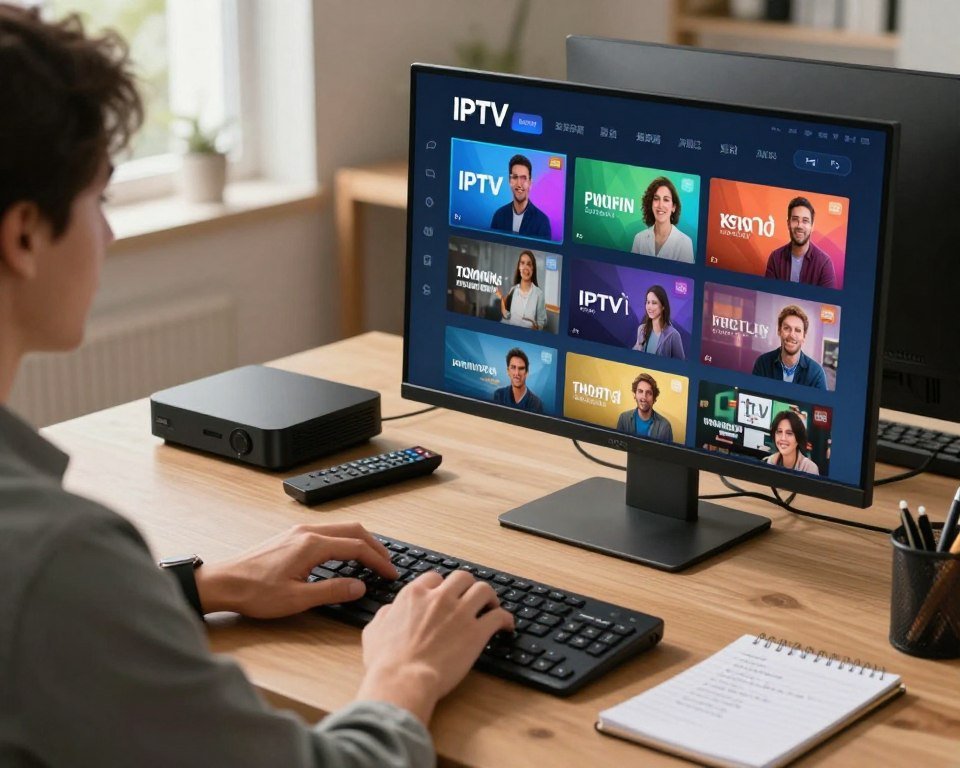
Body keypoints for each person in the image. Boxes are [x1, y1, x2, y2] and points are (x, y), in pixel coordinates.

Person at [0, 6, 513, 766]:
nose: (106, 235)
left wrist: (201, 585)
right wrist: (404, 674)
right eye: (99, 199)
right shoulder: (56, 558)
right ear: (23, 237)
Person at [764, 196, 836, 288]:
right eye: (795, 219)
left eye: (805, 221)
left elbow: (827, 300)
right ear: (788, 223)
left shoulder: (824, 264)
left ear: (812, 226)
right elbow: (768, 293)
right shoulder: (775, 258)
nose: (799, 226)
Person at [751, 305, 828, 389]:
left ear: (804, 337)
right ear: (779, 331)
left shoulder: (816, 373)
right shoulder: (762, 363)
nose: (792, 335)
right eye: (787, 328)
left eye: (798, 330)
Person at [630, 176, 694, 263]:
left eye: (666, 200)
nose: (660, 205)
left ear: (673, 207)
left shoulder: (685, 244)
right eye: (656, 199)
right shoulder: (639, 239)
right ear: (651, 204)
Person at [488, 154, 552, 239]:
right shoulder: (499, 216)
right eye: (515, 177)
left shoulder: (542, 222)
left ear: (530, 183)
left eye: (523, 178)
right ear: (510, 181)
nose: (519, 184)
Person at [494, 249, 547, 330]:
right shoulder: (512, 290)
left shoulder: (539, 294)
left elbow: (541, 322)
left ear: (533, 269)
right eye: (522, 263)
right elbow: (506, 317)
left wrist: (537, 328)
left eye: (529, 264)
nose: (525, 267)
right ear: (519, 267)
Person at [615, 372, 674, 442]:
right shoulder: (624, 419)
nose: (644, 397)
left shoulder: (664, 426)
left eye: (648, 393)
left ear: (654, 398)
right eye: (640, 391)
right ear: (635, 395)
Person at [632, 285, 685, 359]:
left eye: (654, 303)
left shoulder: (673, 335)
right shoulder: (641, 329)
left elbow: (680, 366)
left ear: (663, 306)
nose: (649, 307)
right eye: (648, 302)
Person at [764, 410, 820, 475]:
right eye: (779, 432)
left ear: (798, 438)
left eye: (789, 433)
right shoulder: (770, 461)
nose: (783, 438)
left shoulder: (810, 469)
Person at [492, 347, 544, 413]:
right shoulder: (499, 395)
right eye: (513, 368)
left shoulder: (536, 403)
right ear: (508, 371)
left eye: (521, 368)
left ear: (527, 373)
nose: (517, 373)